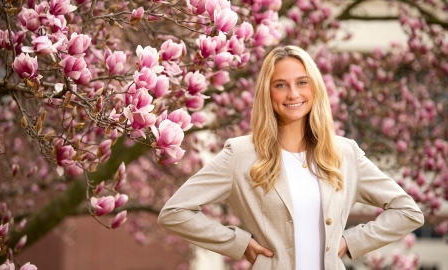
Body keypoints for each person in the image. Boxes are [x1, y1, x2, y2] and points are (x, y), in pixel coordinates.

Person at [157, 45, 424, 270]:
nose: (293, 94)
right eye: (281, 85)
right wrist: (238, 243)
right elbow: (175, 212)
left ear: (314, 88)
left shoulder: (344, 153)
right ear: (268, 93)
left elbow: (407, 212)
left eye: (302, 83)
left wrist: (350, 242)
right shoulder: (240, 154)